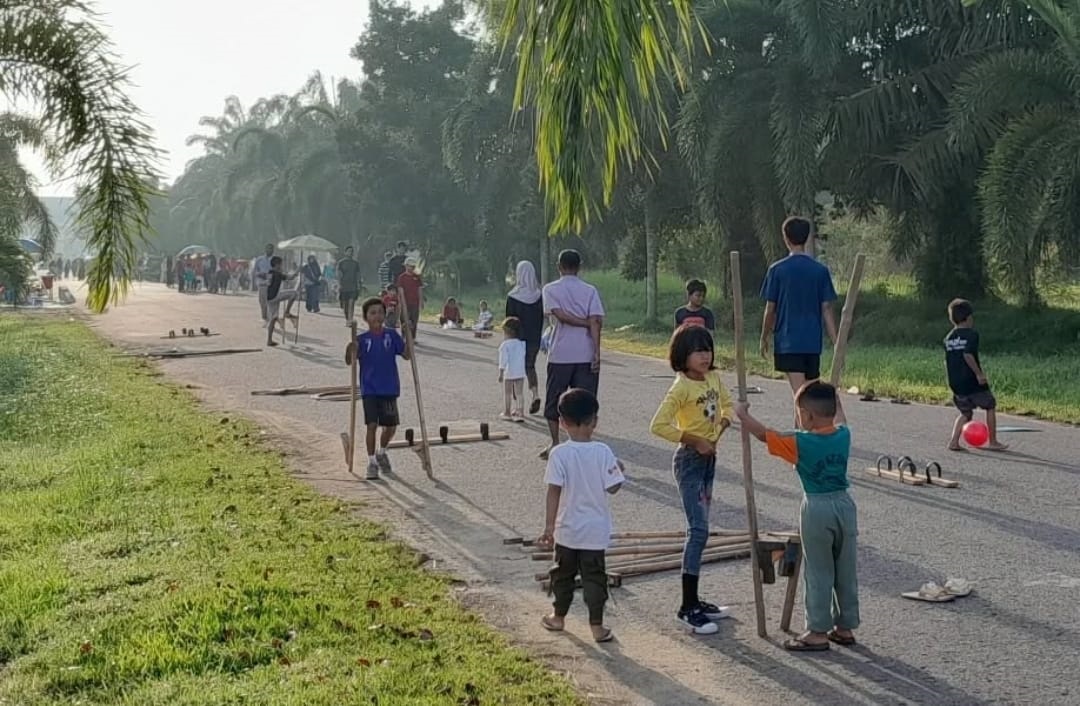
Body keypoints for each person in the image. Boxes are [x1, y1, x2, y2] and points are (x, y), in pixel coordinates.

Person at [735, 381, 858, 652]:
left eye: (799, 412)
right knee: (845, 567)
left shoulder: (801, 442)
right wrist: (833, 395)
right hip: (845, 505)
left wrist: (743, 416)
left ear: (809, 416)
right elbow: (840, 416)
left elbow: (765, 435)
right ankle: (845, 626)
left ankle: (817, 631)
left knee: (818, 570)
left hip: (817, 507)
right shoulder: (844, 435)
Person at [649, 325, 733, 634]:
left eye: (708, 349)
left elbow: (728, 405)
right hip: (689, 462)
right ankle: (687, 607)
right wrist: (694, 439)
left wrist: (722, 424)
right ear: (682, 356)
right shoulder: (680, 388)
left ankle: (696, 600)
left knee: (700, 531)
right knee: (698, 531)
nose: (705, 355)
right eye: (698, 351)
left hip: (709, 460)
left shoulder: (713, 379)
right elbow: (658, 425)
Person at [537, 388, 624, 644]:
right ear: (594, 421)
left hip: (567, 529)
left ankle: (558, 616)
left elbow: (554, 491)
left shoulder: (559, 454)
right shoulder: (603, 451)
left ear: (562, 422)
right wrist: (619, 470)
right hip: (595, 531)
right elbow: (613, 487)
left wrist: (549, 526)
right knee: (594, 578)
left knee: (562, 574)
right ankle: (597, 626)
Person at [759, 217, 838, 394]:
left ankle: (801, 423)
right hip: (811, 342)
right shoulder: (820, 270)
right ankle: (805, 422)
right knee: (807, 394)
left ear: (785, 238)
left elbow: (770, 308)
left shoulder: (777, 270)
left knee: (800, 395)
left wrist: (764, 336)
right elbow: (827, 309)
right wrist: (836, 342)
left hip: (788, 342)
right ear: (807, 237)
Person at [541, 249, 604, 459]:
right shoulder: (590, 290)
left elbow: (560, 316)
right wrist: (596, 352)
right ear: (579, 266)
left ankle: (555, 442)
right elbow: (596, 322)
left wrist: (582, 322)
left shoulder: (550, 289)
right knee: (586, 401)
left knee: (554, 399)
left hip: (560, 354)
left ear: (558, 266)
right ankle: (583, 443)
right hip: (585, 352)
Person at [346, 297, 410, 480]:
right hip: (370, 389)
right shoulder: (361, 339)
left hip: (389, 388)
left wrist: (407, 336)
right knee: (372, 425)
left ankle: (382, 451)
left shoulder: (391, 335)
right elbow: (349, 360)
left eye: (380, 312)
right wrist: (350, 348)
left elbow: (406, 355)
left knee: (390, 427)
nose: (377, 316)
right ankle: (372, 461)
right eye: (373, 313)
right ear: (366, 317)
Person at [945, 298, 1008, 451]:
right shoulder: (972, 335)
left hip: (956, 383)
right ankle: (993, 441)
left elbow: (946, 361)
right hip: (971, 380)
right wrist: (979, 374)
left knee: (966, 413)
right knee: (990, 405)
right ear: (968, 317)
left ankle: (953, 441)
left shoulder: (948, 338)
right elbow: (968, 355)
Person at [505, 260, 545, 414]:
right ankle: (535, 394)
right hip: (534, 338)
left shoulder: (513, 296)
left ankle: (518, 405)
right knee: (530, 366)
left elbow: (509, 321)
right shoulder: (539, 296)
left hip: (517, 339)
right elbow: (541, 318)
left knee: (515, 370)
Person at [264, 256, 300, 347]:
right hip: (275, 296)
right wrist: (298, 271)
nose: (281, 266)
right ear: (277, 265)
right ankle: (287, 312)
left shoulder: (270, 272)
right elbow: (290, 277)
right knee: (294, 293)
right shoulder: (277, 273)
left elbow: (268, 283)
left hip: (269, 298)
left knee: (273, 318)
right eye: (280, 264)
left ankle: (269, 340)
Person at [498, 317, 528, 422]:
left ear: (507, 332)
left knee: (507, 392)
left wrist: (501, 372)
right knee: (519, 393)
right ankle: (520, 412)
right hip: (520, 371)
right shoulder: (522, 344)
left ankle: (507, 412)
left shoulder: (505, 345)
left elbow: (503, 360)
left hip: (509, 371)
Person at [396, 258, 424, 340]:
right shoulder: (402, 277)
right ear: (406, 266)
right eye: (409, 266)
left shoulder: (417, 277)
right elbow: (401, 290)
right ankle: (404, 336)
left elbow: (420, 289)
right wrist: (402, 302)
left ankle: (412, 337)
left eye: (412, 266)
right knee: (404, 319)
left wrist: (421, 301)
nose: (410, 268)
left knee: (414, 320)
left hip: (415, 302)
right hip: (405, 301)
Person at [337, 246, 361, 324]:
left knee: (352, 303)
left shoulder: (355, 263)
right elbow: (338, 274)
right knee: (345, 305)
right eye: (349, 251)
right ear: (345, 252)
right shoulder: (341, 263)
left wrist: (358, 284)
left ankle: (350, 319)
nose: (350, 253)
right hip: (344, 286)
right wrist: (339, 284)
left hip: (353, 286)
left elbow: (358, 274)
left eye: (351, 251)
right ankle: (347, 317)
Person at [253, 243, 275, 322]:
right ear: (265, 249)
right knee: (262, 301)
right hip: (261, 282)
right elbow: (255, 271)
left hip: (271, 283)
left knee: (270, 301)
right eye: (268, 248)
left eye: (271, 249)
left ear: (273, 250)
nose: (269, 250)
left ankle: (270, 318)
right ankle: (264, 316)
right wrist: (259, 274)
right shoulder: (259, 259)